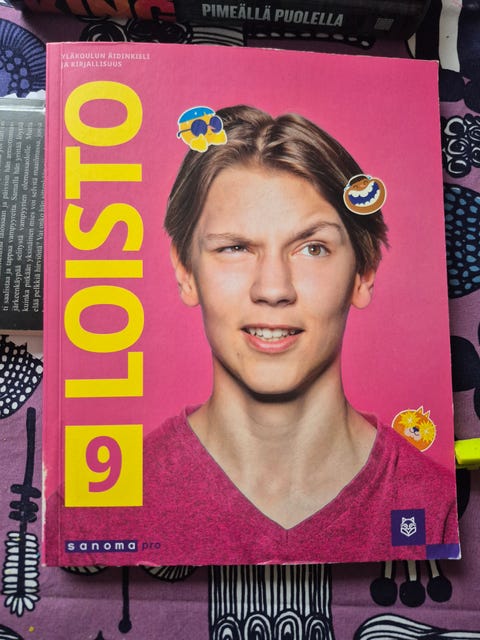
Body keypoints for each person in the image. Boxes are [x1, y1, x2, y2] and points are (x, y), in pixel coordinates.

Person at [47, 105, 459, 566]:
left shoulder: (437, 507)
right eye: (236, 247)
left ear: (363, 273)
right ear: (185, 271)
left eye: (313, 248)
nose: (273, 289)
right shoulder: (92, 514)